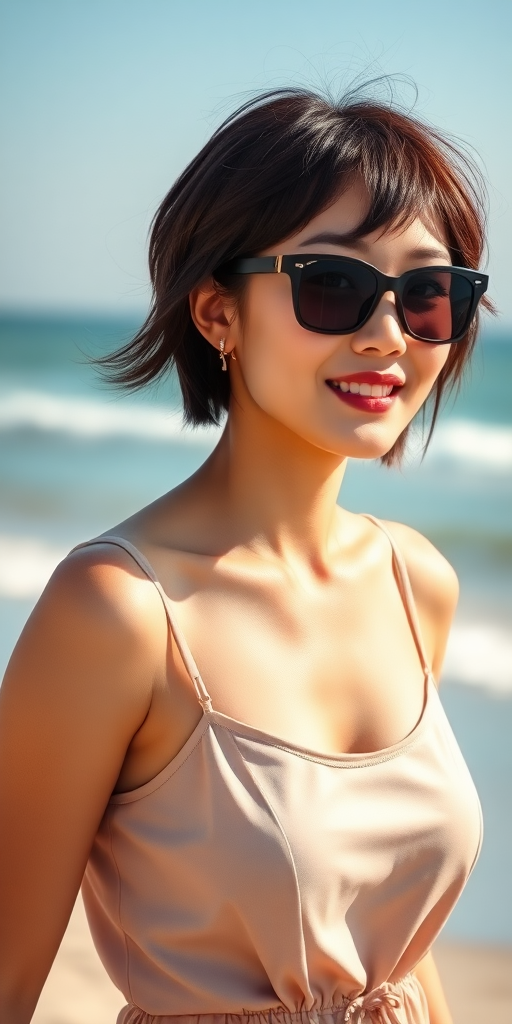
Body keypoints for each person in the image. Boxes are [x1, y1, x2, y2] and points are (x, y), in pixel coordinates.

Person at [0, 88, 491, 1024]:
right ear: (218, 312)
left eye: (429, 293)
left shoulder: (415, 582)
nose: (387, 334)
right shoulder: (118, 613)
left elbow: (394, 952)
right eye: (333, 284)